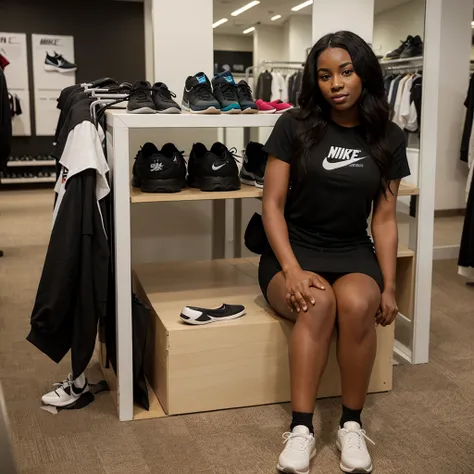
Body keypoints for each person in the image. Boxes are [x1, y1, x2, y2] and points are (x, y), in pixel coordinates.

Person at [259, 30, 410, 474]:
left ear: (364, 72)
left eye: (345, 72)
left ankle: (350, 424)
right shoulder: (294, 125)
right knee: (317, 302)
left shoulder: (389, 137)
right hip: (293, 248)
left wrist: (390, 285)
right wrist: (290, 269)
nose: (336, 84)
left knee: (360, 302)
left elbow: (383, 219)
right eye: (324, 75)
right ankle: (302, 428)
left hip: (351, 249)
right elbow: (271, 204)